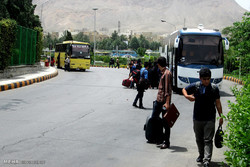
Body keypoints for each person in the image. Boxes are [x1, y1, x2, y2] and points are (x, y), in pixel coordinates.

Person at [182, 68, 223, 167]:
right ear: (200, 78)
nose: (206, 81)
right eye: (204, 79)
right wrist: (187, 96)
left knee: (208, 140)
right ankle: (201, 154)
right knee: (199, 139)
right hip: (197, 118)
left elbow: (218, 103)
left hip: (210, 119)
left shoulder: (214, 88)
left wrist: (221, 116)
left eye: (208, 79)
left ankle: (206, 160)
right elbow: (184, 89)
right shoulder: (196, 86)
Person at [151, 57, 172, 149]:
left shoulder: (167, 74)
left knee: (166, 122)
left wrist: (167, 103)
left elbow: (168, 90)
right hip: (159, 101)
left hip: (163, 102)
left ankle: (166, 142)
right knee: (154, 118)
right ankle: (160, 137)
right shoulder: (163, 73)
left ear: (159, 64)